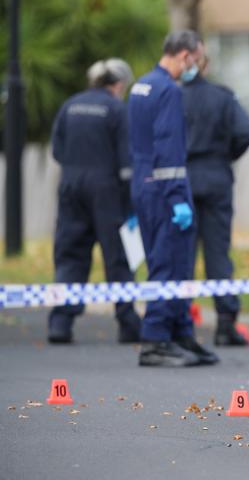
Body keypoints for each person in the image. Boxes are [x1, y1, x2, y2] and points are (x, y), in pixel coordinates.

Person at [128, 30, 218, 367]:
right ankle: (155, 339)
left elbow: (137, 145)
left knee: (163, 262)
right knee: (171, 264)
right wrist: (179, 197)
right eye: (198, 59)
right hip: (166, 193)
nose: (197, 66)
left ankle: (180, 332)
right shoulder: (167, 90)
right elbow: (168, 149)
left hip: (145, 187)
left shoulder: (141, 86)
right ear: (185, 56)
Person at [48, 58, 141, 344]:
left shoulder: (70, 105)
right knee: (118, 257)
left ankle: (61, 324)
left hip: (71, 186)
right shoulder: (116, 109)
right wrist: (130, 204)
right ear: (118, 84)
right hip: (106, 190)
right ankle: (128, 323)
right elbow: (127, 163)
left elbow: (57, 150)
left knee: (70, 254)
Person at [181, 55, 249, 346]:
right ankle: (225, 325)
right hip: (215, 178)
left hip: (181, 180)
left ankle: (181, 323)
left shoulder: (173, 97)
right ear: (206, 66)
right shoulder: (221, 97)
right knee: (217, 254)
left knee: (182, 255)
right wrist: (225, 156)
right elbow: (246, 132)